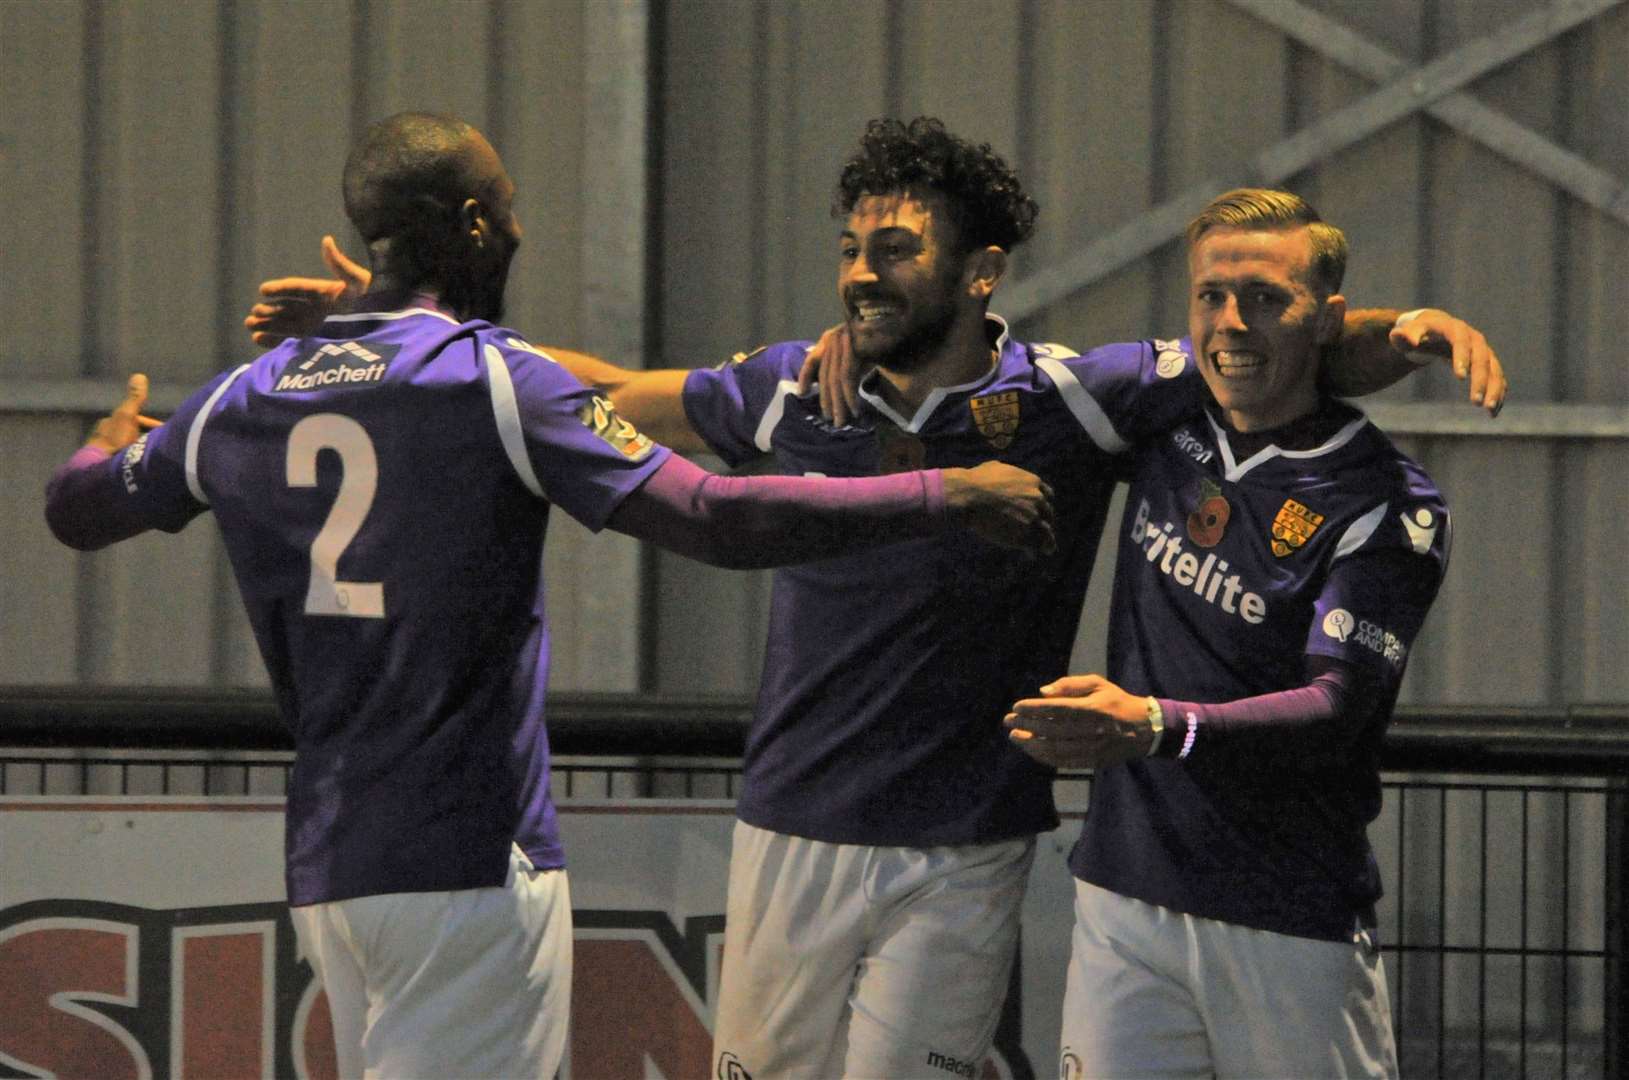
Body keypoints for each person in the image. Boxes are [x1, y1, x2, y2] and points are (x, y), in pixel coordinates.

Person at [246, 118, 1504, 1078]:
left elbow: (1268, 347)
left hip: (966, 845)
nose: (861, 273)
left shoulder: (1079, 394)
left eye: (894, 251)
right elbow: (613, 389)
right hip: (791, 826)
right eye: (851, 249)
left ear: (982, 270)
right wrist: (390, 324)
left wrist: (1403, 332)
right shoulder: (796, 386)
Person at [43, 112, 1059, 1080]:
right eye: (510, 205)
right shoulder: (495, 380)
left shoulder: (240, 396)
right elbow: (711, 514)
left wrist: (106, 437)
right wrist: (943, 490)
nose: (524, 227)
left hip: (330, 866)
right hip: (470, 862)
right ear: (476, 227)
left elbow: (77, 509)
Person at [1006, 189, 1452, 1077]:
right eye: (1210, 296)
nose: (1231, 323)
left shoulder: (1387, 501)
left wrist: (1155, 724)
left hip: (1285, 918)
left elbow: (1336, 707)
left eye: (1264, 299)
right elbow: (978, 384)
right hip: (1121, 899)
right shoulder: (1163, 418)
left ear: (1326, 320)